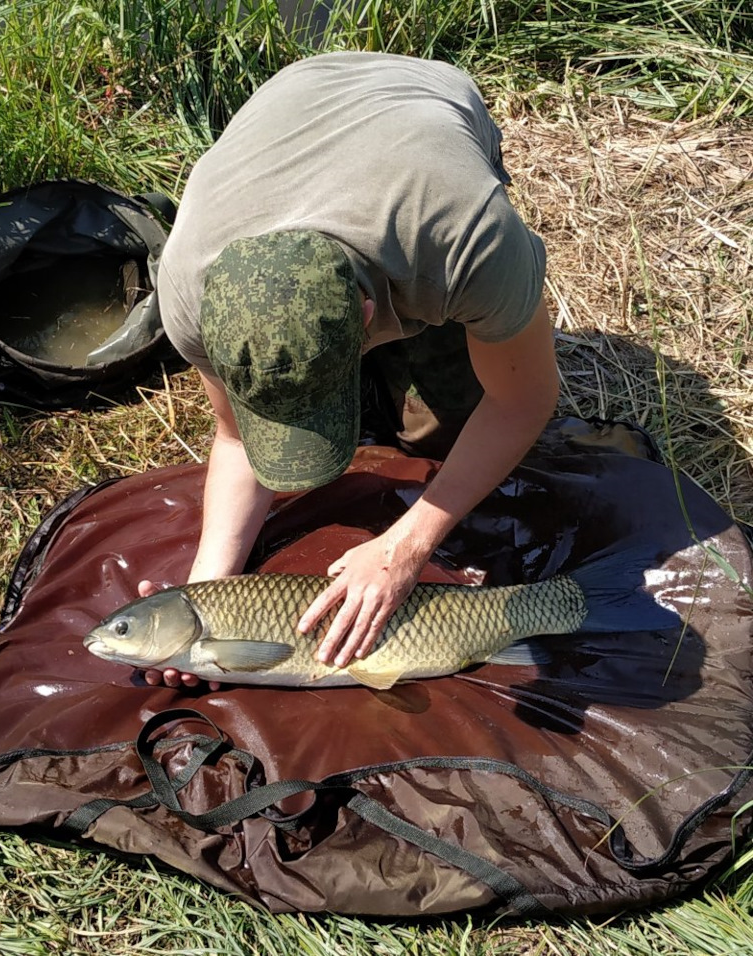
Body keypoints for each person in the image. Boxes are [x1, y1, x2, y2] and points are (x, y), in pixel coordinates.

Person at [142, 51, 559, 688]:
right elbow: (234, 439)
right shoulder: (191, 292)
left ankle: (401, 361)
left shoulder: (465, 235)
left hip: (421, 106)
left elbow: (523, 402)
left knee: (439, 432)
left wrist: (405, 546)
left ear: (368, 315)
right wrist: (204, 598)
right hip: (296, 94)